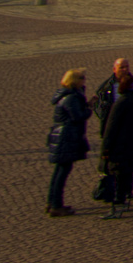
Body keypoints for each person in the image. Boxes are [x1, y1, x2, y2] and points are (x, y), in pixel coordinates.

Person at [93, 58, 133, 218]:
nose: (124, 69)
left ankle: (118, 201)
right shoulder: (109, 88)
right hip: (130, 139)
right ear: (114, 68)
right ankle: (121, 196)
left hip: (120, 142)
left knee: (119, 171)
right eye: (121, 67)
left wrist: (106, 148)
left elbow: (111, 127)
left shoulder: (123, 101)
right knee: (125, 169)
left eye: (126, 66)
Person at [47, 67, 92, 217]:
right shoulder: (71, 98)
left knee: (59, 172)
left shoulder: (67, 95)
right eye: (81, 79)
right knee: (62, 173)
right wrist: (89, 109)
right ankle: (56, 205)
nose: (84, 81)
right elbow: (78, 116)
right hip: (66, 139)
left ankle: (52, 202)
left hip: (61, 138)